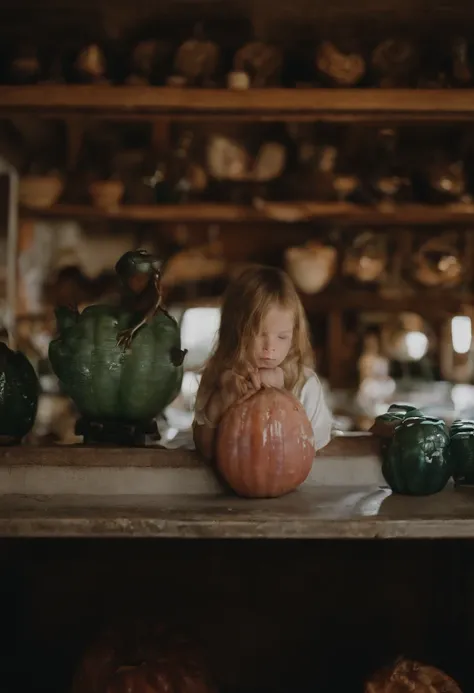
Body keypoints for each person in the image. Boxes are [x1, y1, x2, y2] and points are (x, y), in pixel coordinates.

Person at [192, 264, 333, 460]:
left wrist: (280, 397)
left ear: (294, 335)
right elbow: (204, 450)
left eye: (282, 337)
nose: (270, 347)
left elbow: (312, 451)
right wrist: (221, 401)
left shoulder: (304, 383)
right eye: (258, 334)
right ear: (235, 332)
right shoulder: (217, 376)